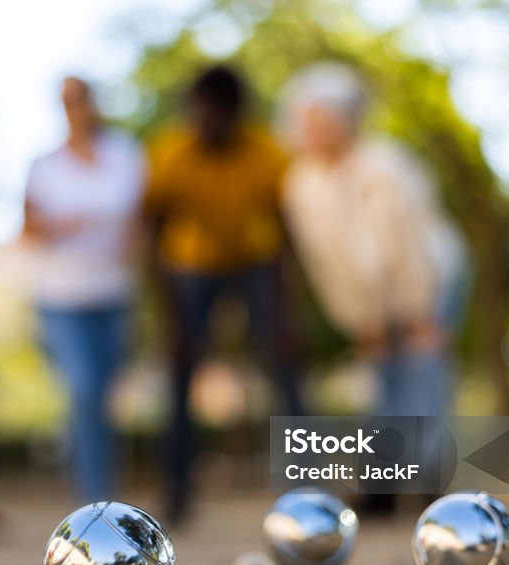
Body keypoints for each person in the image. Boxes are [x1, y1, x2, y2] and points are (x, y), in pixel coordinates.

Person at [145, 65, 304, 524]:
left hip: (255, 266)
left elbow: (286, 234)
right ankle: (176, 492)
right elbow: (153, 241)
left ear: (238, 113)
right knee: (179, 377)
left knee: (286, 370)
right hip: (189, 271)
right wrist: (169, 318)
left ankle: (304, 489)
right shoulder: (170, 153)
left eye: (219, 112)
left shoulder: (267, 153)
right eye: (201, 111)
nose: (208, 121)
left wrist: (286, 314)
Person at [279, 63, 469, 420]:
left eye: (322, 119)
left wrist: (420, 312)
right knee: (384, 384)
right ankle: (391, 471)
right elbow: (325, 263)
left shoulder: (385, 165)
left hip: (432, 281)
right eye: (306, 119)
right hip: (372, 300)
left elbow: (406, 244)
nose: (312, 129)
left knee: (421, 379)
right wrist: (362, 321)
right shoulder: (301, 184)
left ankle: (427, 470)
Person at [21, 77, 146, 502]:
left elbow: (141, 219)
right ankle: (94, 498)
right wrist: (63, 224)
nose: (75, 108)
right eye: (67, 102)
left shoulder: (125, 154)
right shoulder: (45, 165)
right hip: (62, 297)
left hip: (112, 293)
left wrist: (132, 241)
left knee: (105, 398)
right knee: (85, 389)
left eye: (81, 100)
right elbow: (27, 229)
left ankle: (97, 483)